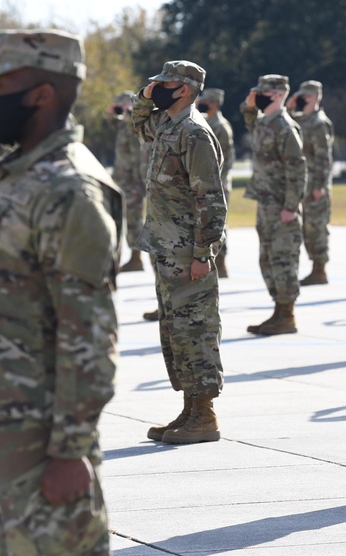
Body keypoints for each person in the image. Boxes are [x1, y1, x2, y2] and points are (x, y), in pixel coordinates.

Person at [0, 29, 121, 554]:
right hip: (1, 416)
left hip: (41, 429)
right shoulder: (19, 173)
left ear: (42, 94)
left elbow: (90, 332)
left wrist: (69, 450)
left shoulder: (70, 190)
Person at [131, 60, 227, 444]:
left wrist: (204, 253)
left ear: (184, 89)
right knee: (175, 330)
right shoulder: (167, 125)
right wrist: (143, 98)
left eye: (163, 84)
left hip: (188, 251)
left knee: (196, 329)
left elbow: (211, 199)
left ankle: (204, 415)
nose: (155, 89)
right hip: (166, 246)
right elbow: (137, 125)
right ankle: (190, 408)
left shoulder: (194, 132)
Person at [241, 75, 306, 335]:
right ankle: (278, 310)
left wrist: (291, 206)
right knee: (267, 259)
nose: (257, 95)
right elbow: (248, 118)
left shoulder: (284, 127)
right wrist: (248, 104)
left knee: (283, 259)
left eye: (263, 92)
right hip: (265, 203)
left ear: (277, 95)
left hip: (281, 206)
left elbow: (297, 169)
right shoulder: (264, 124)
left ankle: (287, 315)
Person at [287, 80, 334, 286]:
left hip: (315, 183)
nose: (303, 99)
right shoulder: (300, 119)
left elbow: (325, 157)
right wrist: (289, 106)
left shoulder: (319, 122)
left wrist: (320, 185)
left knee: (316, 226)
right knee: (305, 227)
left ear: (315, 97)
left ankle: (320, 269)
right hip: (301, 183)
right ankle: (315, 267)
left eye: (306, 95)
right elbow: (284, 124)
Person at [198, 88, 236, 277]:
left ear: (214, 103)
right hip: (206, 182)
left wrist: (221, 180)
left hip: (218, 183)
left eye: (205, 100)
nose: (200, 102)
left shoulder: (221, 125)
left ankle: (221, 263)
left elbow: (227, 157)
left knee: (218, 223)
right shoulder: (205, 121)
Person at [111, 89, 148, 273]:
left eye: (122, 104)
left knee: (134, 220)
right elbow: (112, 120)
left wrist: (138, 183)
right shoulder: (124, 124)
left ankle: (136, 258)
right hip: (121, 180)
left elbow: (137, 155)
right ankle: (131, 256)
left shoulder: (134, 125)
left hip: (132, 181)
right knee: (126, 219)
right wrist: (114, 111)